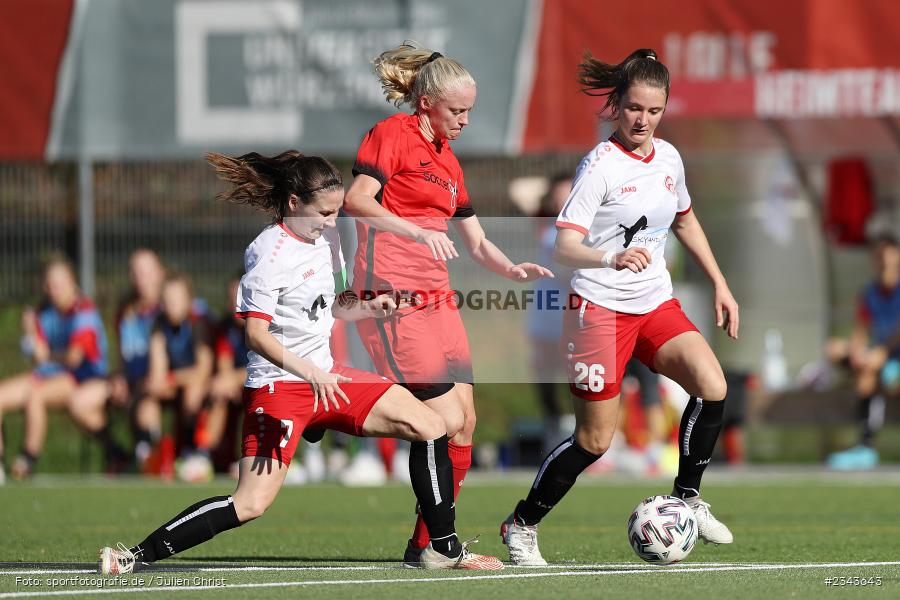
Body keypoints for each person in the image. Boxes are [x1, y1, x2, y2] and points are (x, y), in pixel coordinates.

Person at [98, 149, 502, 575]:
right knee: (250, 503)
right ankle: (134, 555)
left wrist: (371, 306)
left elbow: (334, 305)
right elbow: (255, 335)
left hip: (328, 377)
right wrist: (309, 372)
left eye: (336, 211)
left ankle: (442, 549)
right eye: (324, 212)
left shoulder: (328, 239)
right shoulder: (268, 254)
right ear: (294, 203)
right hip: (280, 388)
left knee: (432, 425)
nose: (332, 220)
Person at [499, 48, 740, 566]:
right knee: (594, 441)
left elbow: (685, 220)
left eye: (654, 110)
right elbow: (565, 246)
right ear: (617, 106)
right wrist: (611, 257)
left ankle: (687, 499)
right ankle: (521, 523)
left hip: (654, 303)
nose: (643, 120)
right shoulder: (599, 166)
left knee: (713, 385)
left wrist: (721, 283)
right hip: (599, 309)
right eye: (634, 108)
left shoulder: (669, 158)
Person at [343, 41, 552, 564]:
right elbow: (356, 200)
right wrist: (414, 231)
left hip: (439, 300)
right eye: (457, 110)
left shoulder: (449, 162)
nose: (464, 120)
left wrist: (511, 268)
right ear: (426, 103)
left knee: (464, 422)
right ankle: (443, 546)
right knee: (438, 417)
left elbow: (476, 242)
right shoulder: (392, 134)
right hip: (392, 297)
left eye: (469, 111)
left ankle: (424, 544)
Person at [0, 255, 120, 480]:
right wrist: (31, 334)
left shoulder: (83, 311)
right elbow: (35, 354)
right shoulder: (43, 312)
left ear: (73, 283)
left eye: (61, 284)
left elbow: (73, 358)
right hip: (46, 375)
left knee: (36, 395)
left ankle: (27, 459)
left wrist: (45, 353)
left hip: (80, 377)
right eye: (51, 285)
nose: (55, 290)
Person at [826, 233, 900, 469]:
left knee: (868, 373)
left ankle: (865, 446)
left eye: (886, 254)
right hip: (879, 358)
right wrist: (858, 351)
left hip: (891, 358)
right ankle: (865, 448)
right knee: (836, 349)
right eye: (878, 255)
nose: (882, 260)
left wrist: (882, 352)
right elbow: (861, 329)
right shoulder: (869, 292)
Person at [135, 272, 215, 480]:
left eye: (176, 299)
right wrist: (160, 381)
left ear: (188, 300)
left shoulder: (197, 323)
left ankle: (195, 452)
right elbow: (158, 370)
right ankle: (152, 454)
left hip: (199, 384)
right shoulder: (159, 325)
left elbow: (203, 370)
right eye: (167, 300)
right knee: (148, 399)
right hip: (175, 384)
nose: (171, 305)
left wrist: (170, 379)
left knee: (193, 392)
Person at [526, 174, 574, 454]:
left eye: (566, 194)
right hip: (545, 319)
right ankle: (553, 432)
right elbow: (521, 192)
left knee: (578, 380)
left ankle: (582, 434)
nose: (560, 200)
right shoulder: (547, 226)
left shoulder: (583, 228)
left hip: (572, 320)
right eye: (557, 195)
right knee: (545, 380)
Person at [110, 249, 166, 468]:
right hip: (134, 383)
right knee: (84, 402)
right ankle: (117, 455)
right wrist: (119, 377)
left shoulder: (168, 308)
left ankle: (157, 457)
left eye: (146, 272)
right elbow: (123, 356)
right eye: (136, 273)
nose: (141, 278)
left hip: (162, 382)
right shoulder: (125, 313)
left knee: (146, 406)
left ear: (160, 273)